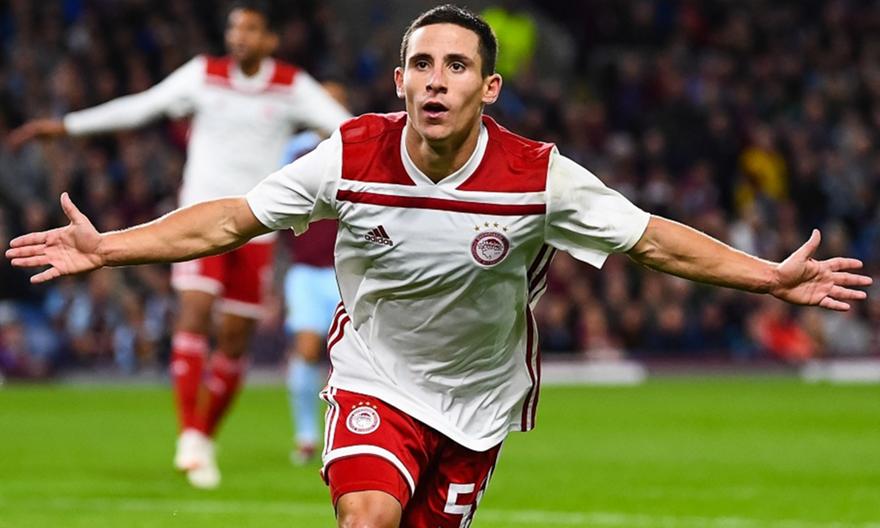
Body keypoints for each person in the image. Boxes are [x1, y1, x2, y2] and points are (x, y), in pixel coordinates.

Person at [6, 5, 871, 527]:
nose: (436, 79)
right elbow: (233, 217)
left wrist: (769, 276)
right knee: (367, 515)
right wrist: (110, 244)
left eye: (457, 66)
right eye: (422, 64)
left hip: (476, 402)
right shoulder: (351, 153)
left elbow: (650, 239)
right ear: (399, 80)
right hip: (375, 376)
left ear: (488, 88)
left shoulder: (539, 176)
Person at [7, 0, 350, 490]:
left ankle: (204, 437)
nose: (239, 37)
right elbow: (141, 106)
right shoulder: (202, 75)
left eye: (250, 29)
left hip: (256, 226)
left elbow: (349, 128)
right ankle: (189, 434)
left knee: (235, 338)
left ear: (270, 39)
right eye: (233, 28)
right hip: (196, 221)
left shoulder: (291, 85)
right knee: (194, 309)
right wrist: (67, 126)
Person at [277, 80, 347, 465]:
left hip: (346, 269)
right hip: (305, 270)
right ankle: (306, 434)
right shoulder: (294, 150)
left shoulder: (357, 148)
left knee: (349, 356)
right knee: (306, 348)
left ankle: (346, 430)